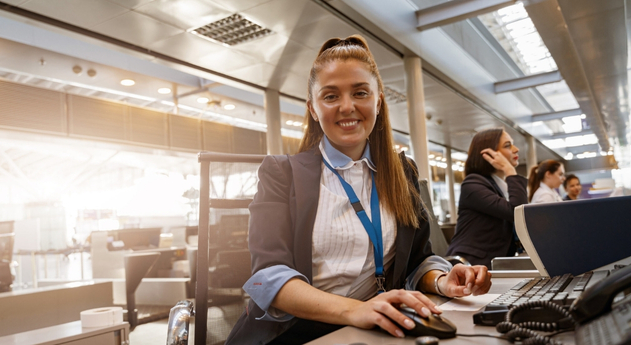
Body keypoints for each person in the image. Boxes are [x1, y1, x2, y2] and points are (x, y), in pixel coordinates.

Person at [226, 35, 492, 345]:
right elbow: (265, 278)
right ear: (313, 108)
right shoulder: (281, 173)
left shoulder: (402, 172)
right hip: (294, 335)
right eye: (330, 96)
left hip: (371, 332)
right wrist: (357, 310)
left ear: (378, 101)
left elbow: (418, 259)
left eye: (360, 92)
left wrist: (443, 281)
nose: (347, 107)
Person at [445, 128, 528, 269]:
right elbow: (517, 211)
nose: (516, 149)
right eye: (508, 145)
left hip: (494, 264)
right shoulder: (472, 184)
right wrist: (510, 171)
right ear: (489, 154)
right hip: (469, 266)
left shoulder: (501, 186)